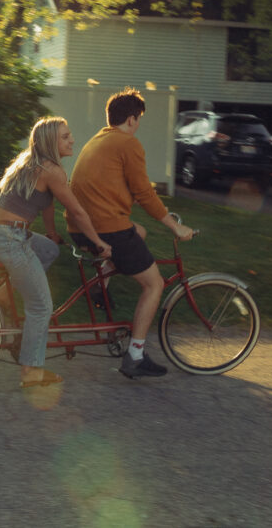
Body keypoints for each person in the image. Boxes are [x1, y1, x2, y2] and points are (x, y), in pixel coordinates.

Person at [67, 88, 194, 379]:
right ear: (133, 119)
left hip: (80, 228)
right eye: (139, 119)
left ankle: (103, 279)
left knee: (140, 231)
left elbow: (109, 185)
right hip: (106, 229)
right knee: (154, 285)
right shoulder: (128, 144)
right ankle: (135, 355)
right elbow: (145, 195)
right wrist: (175, 226)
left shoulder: (99, 139)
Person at [0, 116, 112, 389]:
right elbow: (76, 210)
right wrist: (98, 242)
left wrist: (52, 234)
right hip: (9, 239)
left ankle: (4, 294)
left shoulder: (31, 162)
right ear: (51, 142)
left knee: (49, 250)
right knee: (41, 306)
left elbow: (47, 204)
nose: (72, 139)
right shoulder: (52, 170)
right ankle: (31, 373)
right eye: (65, 136)